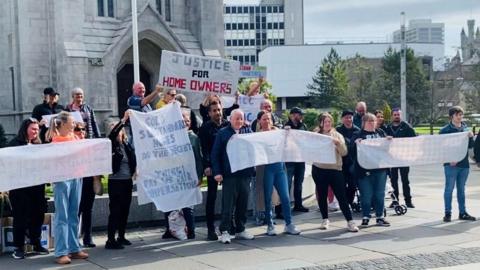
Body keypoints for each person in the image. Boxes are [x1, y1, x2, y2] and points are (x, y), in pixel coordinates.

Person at [46, 111, 88, 264]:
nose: (74, 124)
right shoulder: (55, 141)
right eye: (71, 122)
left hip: (76, 176)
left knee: (73, 214)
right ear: (63, 124)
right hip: (62, 179)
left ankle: (74, 248)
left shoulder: (75, 137)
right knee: (62, 215)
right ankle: (61, 251)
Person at [211, 109, 255, 244]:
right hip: (229, 175)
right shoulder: (222, 133)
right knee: (228, 205)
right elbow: (215, 154)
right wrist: (217, 172)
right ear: (230, 119)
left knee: (243, 204)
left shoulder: (247, 132)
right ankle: (225, 231)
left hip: (245, 175)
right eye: (236, 118)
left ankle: (240, 229)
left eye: (241, 119)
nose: (239, 121)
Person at [8, 118, 49, 260]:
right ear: (25, 129)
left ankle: (36, 243)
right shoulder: (14, 144)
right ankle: (18, 247)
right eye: (33, 129)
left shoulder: (38, 144)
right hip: (20, 188)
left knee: (38, 215)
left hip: (37, 187)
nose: (35, 132)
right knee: (21, 217)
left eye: (37, 130)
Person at [312, 113, 359, 233]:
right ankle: (325, 219)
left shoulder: (337, 135)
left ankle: (350, 221)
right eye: (325, 121)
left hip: (335, 170)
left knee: (341, 196)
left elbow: (344, 153)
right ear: (320, 123)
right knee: (322, 195)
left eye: (329, 121)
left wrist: (338, 144)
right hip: (319, 169)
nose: (327, 124)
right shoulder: (315, 135)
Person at [256, 111, 301, 236]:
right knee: (267, 198)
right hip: (266, 170)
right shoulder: (257, 136)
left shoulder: (279, 132)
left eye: (269, 119)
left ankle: (289, 224)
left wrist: (287, 133)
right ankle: (270, 225)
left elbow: (288, 144)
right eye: (264, 119)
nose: (267, 121)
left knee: (285, 197)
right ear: (259, 121)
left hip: (279, 168)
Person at [66, 87, 100, 248]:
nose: (79, 98)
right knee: (75, 207)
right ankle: (74, 238)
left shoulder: (88, 109)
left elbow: (94, 127)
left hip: (88, 161)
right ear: (72, 97)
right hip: (73, 165)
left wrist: (98, 143)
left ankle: (88, 236)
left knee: (88, 205)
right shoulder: (66, 110)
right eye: (77, 95)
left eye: (81, 95)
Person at [162, 111, 203, 240]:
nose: (185, 124)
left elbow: (198, 158)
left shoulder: (194, 138)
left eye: (187, 121)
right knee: (169, 205)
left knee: (187, 206)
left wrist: (199, 175)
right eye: (182, 122)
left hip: (189, 177)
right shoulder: (170, 139)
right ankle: (169, 229)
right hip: (174, 176)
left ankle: (191, 231)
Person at [352, 113, 391, 227]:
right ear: (364, 123)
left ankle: (380, 217)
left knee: (380, 194)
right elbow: (351, 152)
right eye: (369, 121)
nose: (372, 123)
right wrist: (356, 144)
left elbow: (386, 150)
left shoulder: (381, 133)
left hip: (380, 170)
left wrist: (388, 141)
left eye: (373, 121)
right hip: (364, 171)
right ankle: (366, 216)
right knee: (366, 195)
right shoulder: (358, 134)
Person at [198, 102, 230, 240]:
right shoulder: (205, 128)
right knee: (212, 197)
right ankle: (211, 229)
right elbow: (204, 149)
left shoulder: (228, 125)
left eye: (219, 110)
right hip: (213, 167)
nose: (217, 112)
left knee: (230, 197)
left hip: (227, 166)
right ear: (209, 113)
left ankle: (229, 225)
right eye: (214, 110)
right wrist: (207, 166)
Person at [105, 111, 137, 249]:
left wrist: (134, 170)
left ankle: (121, 236)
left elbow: (133, 158)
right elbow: (112, 135)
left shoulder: (126, 145)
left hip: (127, 181)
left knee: (125, 210)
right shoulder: (111, 144)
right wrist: (123, 120)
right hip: (116, 181)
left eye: (119, 131)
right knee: (115, 210)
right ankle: (110, 239)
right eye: (115, 130)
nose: (117, 133)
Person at [439, 106, 476, 222]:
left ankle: (462, 213)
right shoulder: (445, 130)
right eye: (458, 115)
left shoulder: (465, 129)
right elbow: (441, 149)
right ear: (452, 116)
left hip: (464, 164)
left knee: (461, 190)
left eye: (461, 115)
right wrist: (450, 159)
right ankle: (447, 213)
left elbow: (470, 146)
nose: (460, 117)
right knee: (449, 189)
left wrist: (471, 137)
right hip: (451, 165)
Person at [386, 108, 416, 208]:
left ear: (401, 115)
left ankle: (408, 201)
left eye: (398, 114)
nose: (396, 116)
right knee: (393, 180)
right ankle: (395, 201)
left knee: (405, 180)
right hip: (392, 158)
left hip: (404, 158)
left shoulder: (407, 126)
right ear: (392, 116)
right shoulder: (388, 128)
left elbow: (414, 140)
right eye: (394, 114)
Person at [282, 107, 309, 214]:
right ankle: (286, 207)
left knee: (299, 184)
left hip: (300, 159)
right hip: (289, 160)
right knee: (287, 184)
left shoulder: (303, 126)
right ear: (292, 115)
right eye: (299, 114)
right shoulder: (286, 127)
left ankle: (298, 205)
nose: (301, 116)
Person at [336, 110, 360, 207]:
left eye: (350, 117)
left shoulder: (358, 131)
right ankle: (344, 203)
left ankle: (348, 203)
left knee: (352, 185)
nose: (348, 119)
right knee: (340, 185)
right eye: (346, 117)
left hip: (353, 163)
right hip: (340, 162)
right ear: (342, 119)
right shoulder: (337, 131)